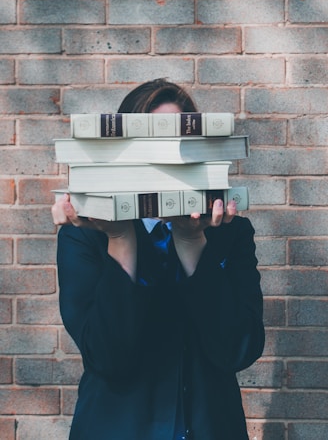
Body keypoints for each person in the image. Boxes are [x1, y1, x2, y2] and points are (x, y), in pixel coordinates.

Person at [52, 79, 265, 440]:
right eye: (149, 148)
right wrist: (119, 238)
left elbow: (239, 350)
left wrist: (192, 241)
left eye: (175, 148)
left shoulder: (230, 233)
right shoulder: (86, 233)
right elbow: (107, 357)